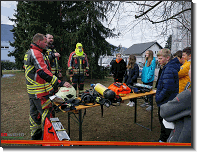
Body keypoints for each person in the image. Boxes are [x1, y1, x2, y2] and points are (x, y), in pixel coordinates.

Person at [24, 33, 71, 140]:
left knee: (34, 115)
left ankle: (36, 136)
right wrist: (60, 83)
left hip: (33, 91)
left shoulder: (31, 52)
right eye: (44, 42)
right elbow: (43, 72)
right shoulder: (36, 53)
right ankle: (48, 139)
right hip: (40, 91)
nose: (46, 44)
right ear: (38, 42)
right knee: (47, 114)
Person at [160, 64, 191, 143]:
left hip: (182, 140)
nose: (188, 71)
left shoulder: (189, 94)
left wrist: (159, 98)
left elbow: (165, 111)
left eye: (190, 69)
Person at [155, 48, 180, 142]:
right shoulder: (168, 67)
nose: (159, 60)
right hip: (167, 101)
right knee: (165, 123)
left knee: (165, 123)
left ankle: (164, 141)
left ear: (168, 58)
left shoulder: (169, 69)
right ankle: (164, 139)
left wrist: (158, 98)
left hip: (166, 102)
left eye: (161, 58)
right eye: (158, 58)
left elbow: (167, 89)